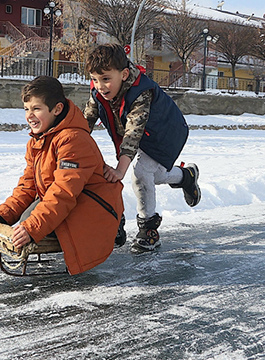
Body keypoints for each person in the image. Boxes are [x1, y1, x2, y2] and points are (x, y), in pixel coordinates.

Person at [0, 76, 125, 275]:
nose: (29, 116)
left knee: (30, 223)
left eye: (36, 109)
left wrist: (31, 229)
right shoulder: (38, 140)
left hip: (95, 209)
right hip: (69, 201)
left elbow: (63, 193)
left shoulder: (73, 140)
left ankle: (112, 228)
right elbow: (27, 186)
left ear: (56, 109)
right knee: (26, 219)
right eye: (26, 109)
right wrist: (1, 215)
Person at [83, 44, 201, 252]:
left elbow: (133, 133)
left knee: (141, 172)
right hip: (145, 134)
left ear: (124, 74)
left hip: (166, 133)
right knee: (155, 176)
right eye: (95, 79)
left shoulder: (141, 92)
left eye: (106, 79)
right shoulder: (98, 91)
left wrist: (121, 170)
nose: (100, 86)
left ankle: (148, 229)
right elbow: (86, 122)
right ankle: (186, 176)